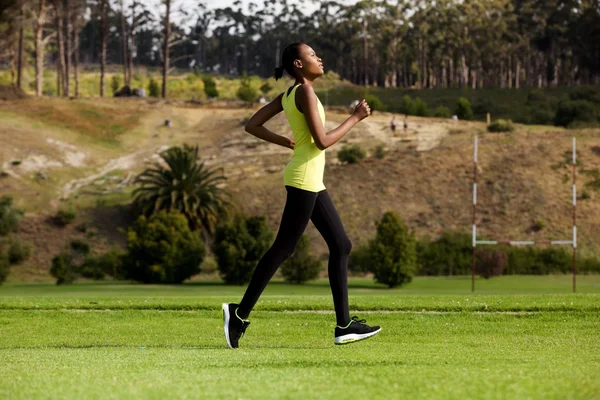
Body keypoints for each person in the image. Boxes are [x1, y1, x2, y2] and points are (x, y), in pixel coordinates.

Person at [222, 43, 381, 349]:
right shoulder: (304, 93)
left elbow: (252, 125)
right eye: (311, 55)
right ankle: (239, 314)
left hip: (309, 178)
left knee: (340, 244)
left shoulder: (289, 95)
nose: (318, 58)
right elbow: (321, 141)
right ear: (298, 63)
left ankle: (344, 325)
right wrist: (355, 118)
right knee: (283, 248)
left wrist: (285, 141)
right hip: (304, 177)